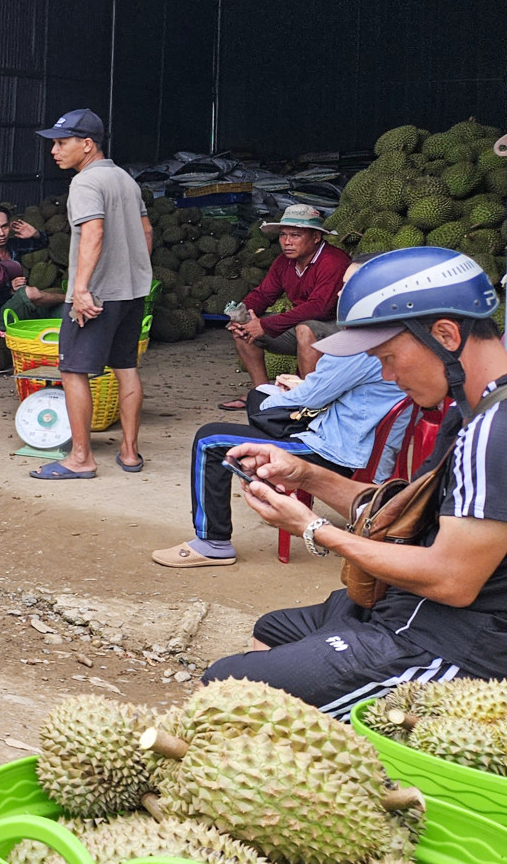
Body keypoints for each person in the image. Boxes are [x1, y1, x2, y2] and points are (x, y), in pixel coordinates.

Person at [208, 247, 507, 713]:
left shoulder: (496, 431)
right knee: (271, 631)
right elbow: (406, 513)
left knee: (224, 691)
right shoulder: (469, 409)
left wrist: (312, 529)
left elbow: (453, 580)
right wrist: (305, 473)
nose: (386, 375)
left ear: (446, 334)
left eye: (388, 357)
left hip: (454, 645)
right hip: (409, 608)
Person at [152, 264, 409, 568]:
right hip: (357, 441)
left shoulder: (362, 345)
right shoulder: (398, 336)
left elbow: (311, 396)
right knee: (263, 401)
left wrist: (278, 394)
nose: (340, 293)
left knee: (211, 438)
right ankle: (269, 485)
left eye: (349, 285)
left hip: (336, 452)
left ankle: (213, 542)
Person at [28, 108, 151, 480]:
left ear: (87, 144)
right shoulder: (126, 180)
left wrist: (80, 289)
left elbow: (93, 233)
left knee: (72, 371)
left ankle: (81, 458)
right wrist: (133, 270)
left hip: (97, 295)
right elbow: (146, 231)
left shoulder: (84, 184)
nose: (54, 151)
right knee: (126, 368)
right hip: (131, 292)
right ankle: (129, 452)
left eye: (62, 143)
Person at [220, 202, 351, 410]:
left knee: (305, 329)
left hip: (339, 330)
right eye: (283, 235)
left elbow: (320, 308)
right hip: (303, 326)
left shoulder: (333, 261)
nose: (287, 242)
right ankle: (263, 394)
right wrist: (240, 315)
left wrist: (267, 326)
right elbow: (263, 294)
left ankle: (310, 401)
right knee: (244, 330)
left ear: (316, 237)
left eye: (295, 235)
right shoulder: (284, 262)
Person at [0, 206, 64, 321]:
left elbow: (43, 244)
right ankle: (71, 298)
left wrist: (35, 234)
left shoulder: (13, 246)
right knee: (29, 293)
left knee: (65, 311)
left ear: (10, 225)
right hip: (1, 316)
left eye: (4, 226)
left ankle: (70, 302)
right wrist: (10, 290)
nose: (1, 233)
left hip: (25, 307)